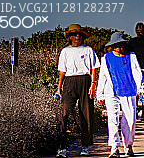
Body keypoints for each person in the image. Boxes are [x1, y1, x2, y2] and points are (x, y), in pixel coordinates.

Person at [55, 24, 100, 157]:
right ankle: (62, 147)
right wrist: (59, 88)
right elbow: (62, 71)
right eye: (74, 34)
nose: (77, 37)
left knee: (86, 114)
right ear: (70, 37)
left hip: (85, 81)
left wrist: (93, 84)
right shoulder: (65, 51)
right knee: (64, 113)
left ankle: (85, 145)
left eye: (79, 34)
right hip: (69, 82)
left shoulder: (88, 50)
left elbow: (93, 68)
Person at [96, 31, 143, 157]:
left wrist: (140, 88)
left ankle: (128, 145)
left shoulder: (131, 56)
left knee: (130, 120)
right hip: (112, 92)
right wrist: (99, 94)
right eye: (117, 45)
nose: (120, 48)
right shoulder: (106, 58)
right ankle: (114, 147)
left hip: (129, 90)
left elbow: (137, 73)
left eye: (122, 45)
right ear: (112, 46)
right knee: (113, 120)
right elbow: (103, 76)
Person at [129, 23, 144, 121]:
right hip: (137, 68)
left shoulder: (131, 42)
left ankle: (135, 111)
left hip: (136, 69)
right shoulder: (132, 41)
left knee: (136, 90)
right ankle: (140, 112)